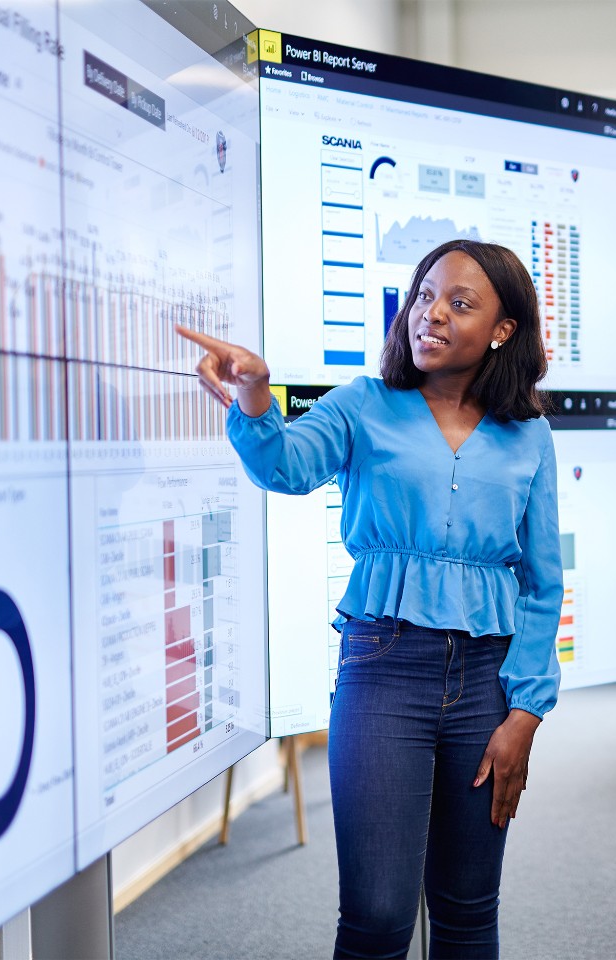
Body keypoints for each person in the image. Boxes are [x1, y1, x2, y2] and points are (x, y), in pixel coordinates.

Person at [177, 239, 563, 959]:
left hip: (487, 680)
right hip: (386, 668)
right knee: (379, 915)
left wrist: (526, 711)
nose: (433, 314)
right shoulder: (364, 404)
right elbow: (283, 465)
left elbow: (542, 582)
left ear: (503, 330)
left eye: (459, 303)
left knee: (468, 909)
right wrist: (255, 395)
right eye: (424, 295)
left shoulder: (529, 436)